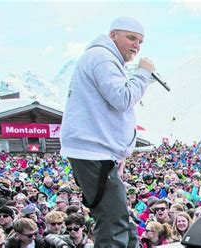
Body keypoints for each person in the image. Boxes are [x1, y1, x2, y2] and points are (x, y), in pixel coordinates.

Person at [60, 16, 155, 248]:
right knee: (113, 223)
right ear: (113, 35)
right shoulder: (102, 58)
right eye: (131, 38)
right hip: (94, 152)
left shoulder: (103, 58)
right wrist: (143, 73)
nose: (136, 45)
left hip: (101, 153)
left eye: (140, 41)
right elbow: (122, 99)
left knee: (123, 220)